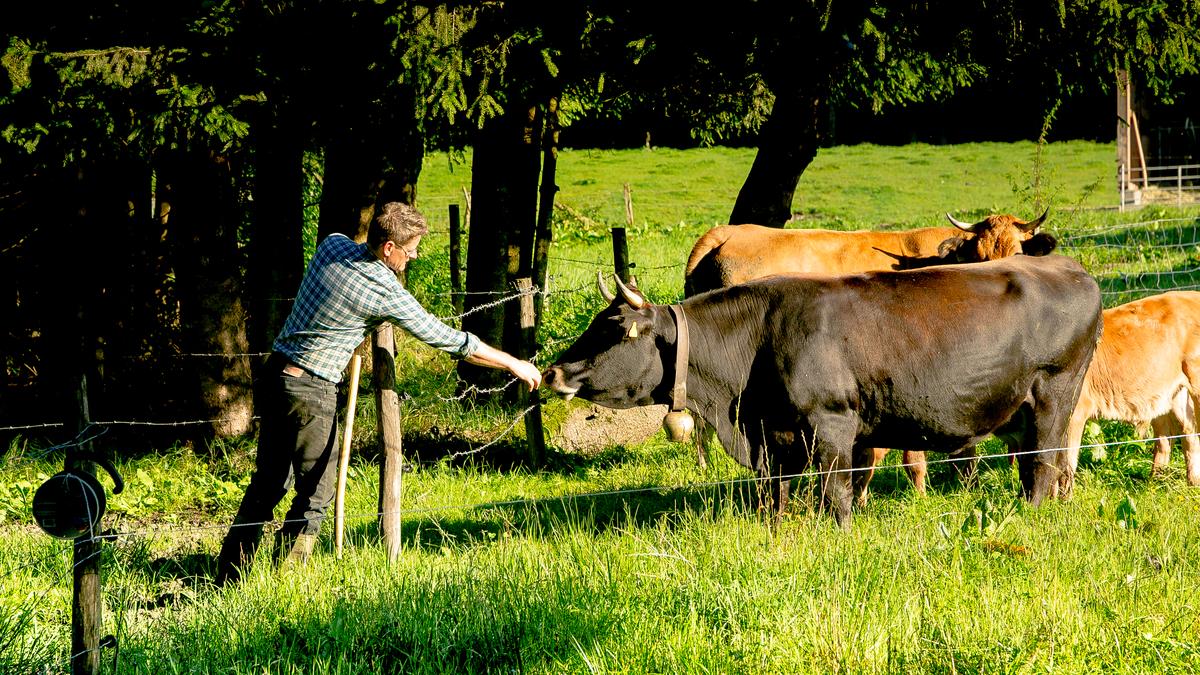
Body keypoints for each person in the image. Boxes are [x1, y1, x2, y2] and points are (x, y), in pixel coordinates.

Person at [216, 201, 541, 585]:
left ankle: (228, 576)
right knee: (317, 491)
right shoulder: (385, 290)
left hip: (277, 375)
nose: (414, 256)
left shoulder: (331, 247)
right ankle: (287, 581)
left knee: (269, 480)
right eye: (410, 249)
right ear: (389, 248)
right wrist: (512, 363)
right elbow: (448, 339)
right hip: (312, 391)